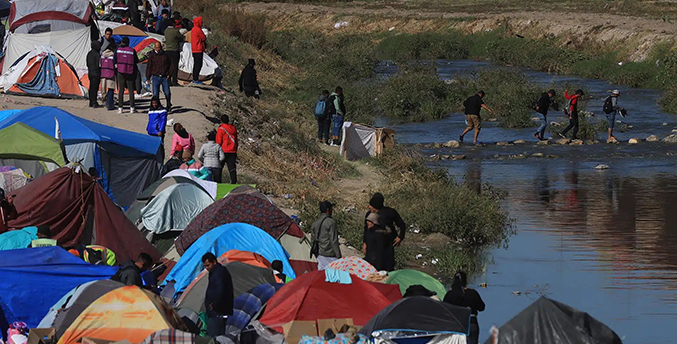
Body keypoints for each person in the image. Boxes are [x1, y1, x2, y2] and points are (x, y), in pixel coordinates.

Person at [362, 192, 405, 271]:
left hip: (387, 244)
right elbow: (366, 229)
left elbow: (401, 224)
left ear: (376, 206)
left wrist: (400, 237)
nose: (369, 207)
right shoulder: (369, 215)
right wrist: (365, 242)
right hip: (372, 245)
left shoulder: (390, 213)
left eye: (371, 205)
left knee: (386, 265)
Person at [443, 271, 485, 344]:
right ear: (466, 281)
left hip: (456, 324)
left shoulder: (450, 294)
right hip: (471, 322)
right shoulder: (472, 293)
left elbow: (444, 310)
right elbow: (482, 307)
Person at [202, 252, 234, 337]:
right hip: (218, 311)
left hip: (219, 311)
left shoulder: (219, 273)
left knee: (215, 336)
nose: (207, 268)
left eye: (208, 265)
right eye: (205, 266)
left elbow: (220, 290)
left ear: (214, 262)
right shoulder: (215, 272)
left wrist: (214, 305)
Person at [310, 201, 341, 270]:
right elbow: (334, 241)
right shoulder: (331, 223)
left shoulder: (315, 223)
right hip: (330, 254)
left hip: (320, 254)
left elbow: (312, 240)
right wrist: (338, 256)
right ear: (328, 210)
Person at [114, 37, 139, 114]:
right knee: (131, 90)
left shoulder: (117, 50)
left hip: (120, 71)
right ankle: (132, 107)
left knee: (121, 90)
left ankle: (120, 107)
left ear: (122, 42)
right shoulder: (132, 50)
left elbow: (114, 60)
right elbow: (136, 61)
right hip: (129, 71)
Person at [146, 41, 172, 111]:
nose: (158, 49)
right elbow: (149, 66)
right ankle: (157, 107)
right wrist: (148, 77)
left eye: (159, 47)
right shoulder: (152, 55)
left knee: (167, 92)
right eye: (156, 48)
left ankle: (168, 104)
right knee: (155, 94)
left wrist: (169, 74)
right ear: (154, 48)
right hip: (155, 76)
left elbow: (170, 64)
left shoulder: (165, 55)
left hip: (164, 76)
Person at [216, 115, 238, 184]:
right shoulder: (233, 128)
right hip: (232, 150)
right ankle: (234, 182)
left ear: (221, 120)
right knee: (232, 168)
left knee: (219, 167)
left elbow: (219, 141)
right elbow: (236, 140)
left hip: (223, 150)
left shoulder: (221, 129)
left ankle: (218, 182)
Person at [164, 21, 183, 86]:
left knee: (168, 66)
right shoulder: (175, 31)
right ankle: (174, 81)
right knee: (174, 66)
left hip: (167, 50)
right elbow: (181, 38)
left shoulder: (166, 31)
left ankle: (168, 81)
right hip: (174, 50)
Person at [100, 45, 117, 111]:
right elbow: (115, 65)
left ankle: (104, 99)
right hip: (111, 73)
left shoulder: (102, 55)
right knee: (111, 89)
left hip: (103, 73)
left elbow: (100, 64)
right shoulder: (113, 55)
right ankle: (109, 105)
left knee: (103, 89)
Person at [190, 17, 206, 84]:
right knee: (198, 64)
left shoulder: (193, 29)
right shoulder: (198, 29)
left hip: (194, 49)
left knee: (196, 64)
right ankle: (195, 79)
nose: (202, 23)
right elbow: (203, 37)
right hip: (198, 49)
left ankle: (195, 78)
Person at [87, 41, 102, 108]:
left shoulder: (89, 53)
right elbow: (98, 64)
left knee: (91, 87)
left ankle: (91, 101)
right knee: (95, 88)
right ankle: (94, 102)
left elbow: (87, 64)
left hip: (90, 72)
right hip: (96, 73)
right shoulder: (97, 54)